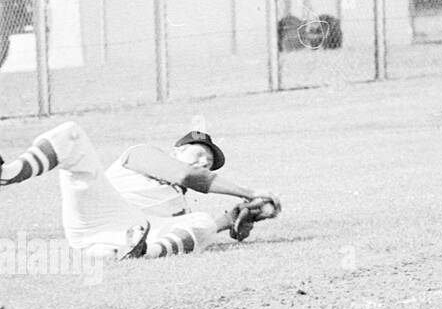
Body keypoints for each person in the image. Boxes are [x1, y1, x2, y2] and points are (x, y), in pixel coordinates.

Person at [1, 123, 282, 259]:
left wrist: (233, 217)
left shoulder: (181, 207)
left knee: (200, 221)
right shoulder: (142, 154)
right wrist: (249, 192)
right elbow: (188, 174)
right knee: (71, 134)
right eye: (198, 154)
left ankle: (142, 253)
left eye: (208, 162)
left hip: (126, 238)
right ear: (177, 150)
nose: (203, 162)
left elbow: (194, 226)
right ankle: (7, 173)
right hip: (97, 215)